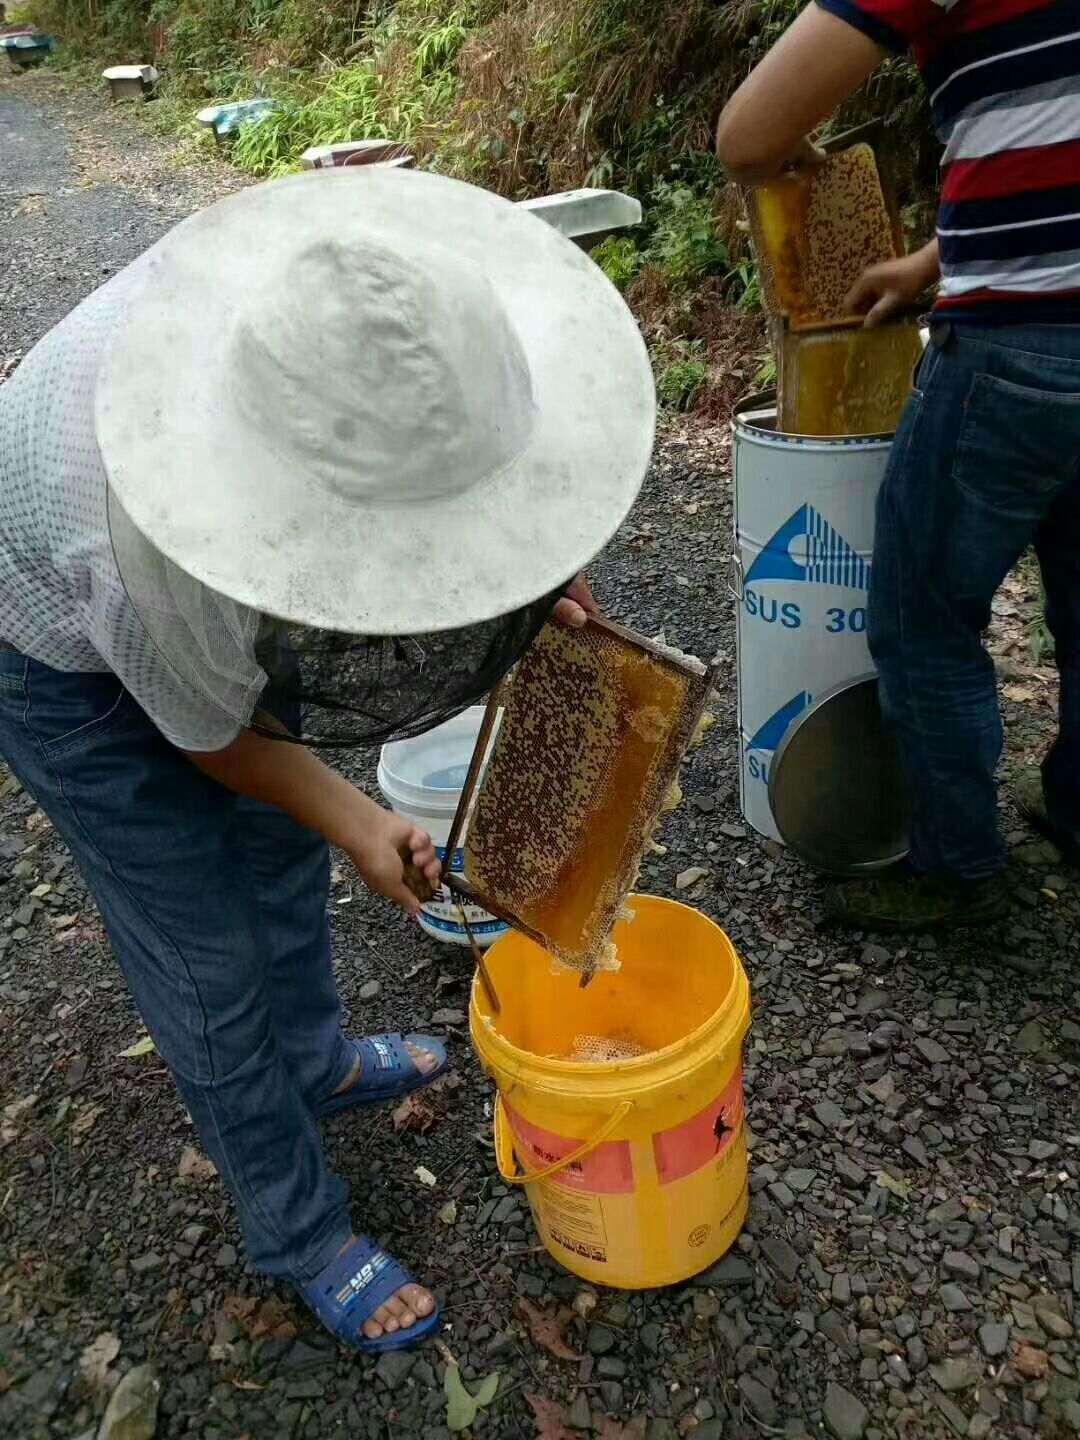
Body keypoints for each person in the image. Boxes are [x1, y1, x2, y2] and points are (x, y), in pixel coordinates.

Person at [0, 167, 654, 1350]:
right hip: (51, 652)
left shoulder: (392, 310)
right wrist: (361, 822)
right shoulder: (141, 548)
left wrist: (534, 562)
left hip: (184, 623)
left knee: (277, 861)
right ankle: (295, 1227)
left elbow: (472, 465)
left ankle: (314, 1058)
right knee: (205, 952)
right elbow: (220, 745)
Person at [716, 0, 1080, 929]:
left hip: (1019, 349)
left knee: (922, 625)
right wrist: (930, 261)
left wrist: (786, 153)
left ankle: (958, 873)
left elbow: (747, 133)